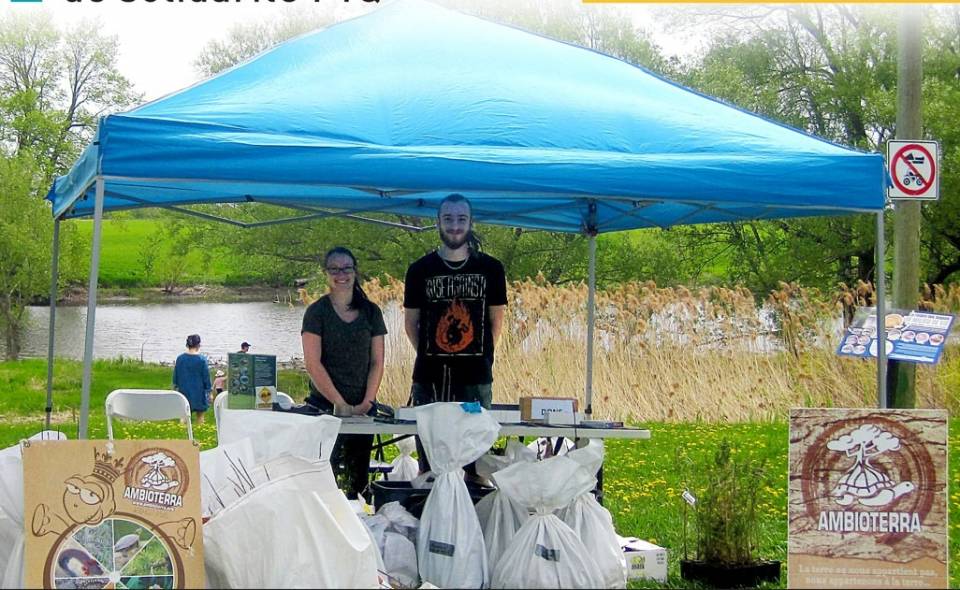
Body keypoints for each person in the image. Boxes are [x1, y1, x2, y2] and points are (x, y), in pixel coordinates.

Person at [403, 193, 507, 473]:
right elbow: (410, 324)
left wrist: (480, 356)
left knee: (472, 463)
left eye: (461, 219)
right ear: (438, 222)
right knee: (432, 464)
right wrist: (433, 354)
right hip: (429, 380)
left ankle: (471, 513)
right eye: (448, 219)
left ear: (471, 222)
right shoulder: (419, 271)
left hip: (475, 380)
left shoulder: (491, 270)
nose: (455, 226)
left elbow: (495, 322)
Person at [302, 247, 387, 499]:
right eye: (335, 269)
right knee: (325, 479)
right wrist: (338, 403)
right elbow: (312, 363)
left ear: (355, 271)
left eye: (347, 268)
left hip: (363, 407)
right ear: (326, 273)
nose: (341, 274)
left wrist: (367, 402)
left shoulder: (372, 312)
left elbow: (377, 362)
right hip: (323, 406)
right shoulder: (316, 312)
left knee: (357, 481)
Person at [173, 334, 213, 425]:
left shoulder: (180, 359)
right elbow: (206, 377)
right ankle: (200, 430)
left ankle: (181, 430)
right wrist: (209, 391)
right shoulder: (202, 360)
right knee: (200, 415)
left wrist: (175, 386)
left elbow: (176, 375)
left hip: (184, 391)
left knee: (184, 415)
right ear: (198, 345)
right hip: (199, 392)